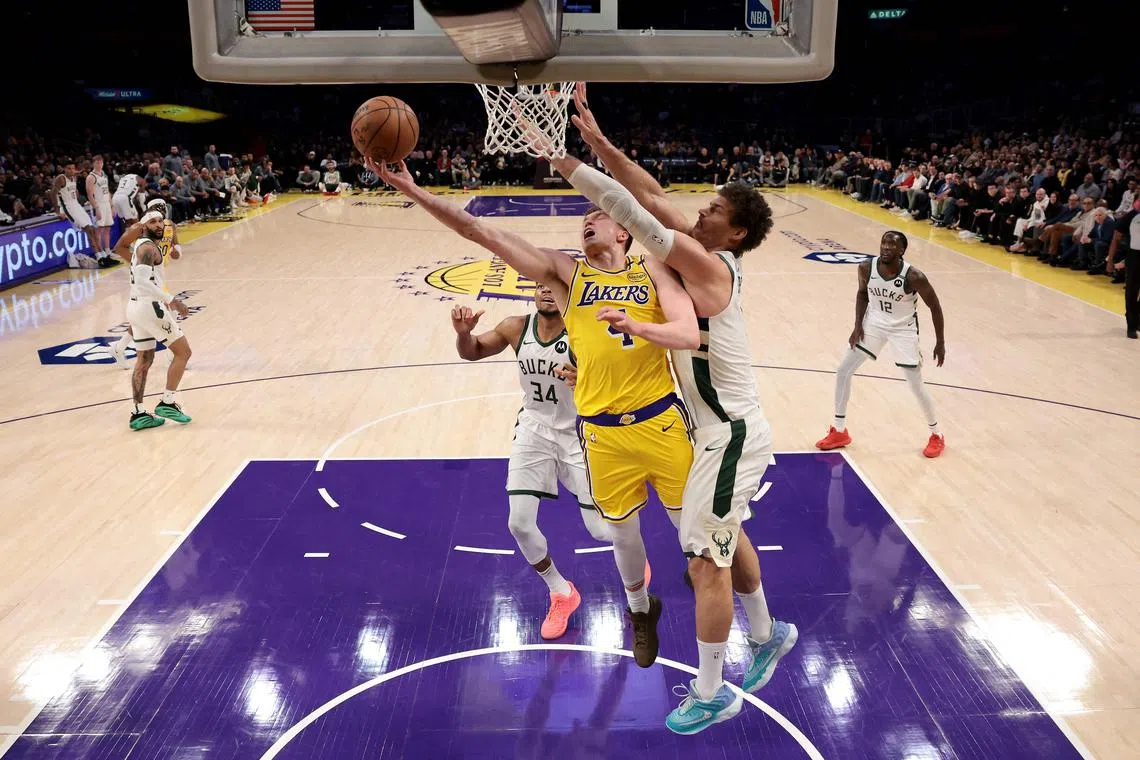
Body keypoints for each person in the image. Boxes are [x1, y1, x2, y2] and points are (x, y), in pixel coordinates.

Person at [369, 156, 698, 670]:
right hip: (602, 434)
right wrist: (413, 190)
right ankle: (639, 611)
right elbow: (478, 230)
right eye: (582, 218)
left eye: (599, 213)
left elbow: (687, 321)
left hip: (661, 419)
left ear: (625, 229)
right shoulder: (568, 275)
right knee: (623, 535)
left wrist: (639, 327)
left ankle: (738, 606)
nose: (588, 220)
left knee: (692, 534)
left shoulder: (654, 268)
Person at [550, 83, 797, 735]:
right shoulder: (698, 252)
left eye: (712, 209)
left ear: (733, 232)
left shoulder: (710, 268)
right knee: (726, 531)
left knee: (702, 563)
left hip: (731, 435)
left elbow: (640, 213)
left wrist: (565, 160)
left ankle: (713, 690)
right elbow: (652, 193)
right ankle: (768, 632)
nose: (700, 211)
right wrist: (600, 142)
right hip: (716, 433)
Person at [451, 284, 617, 639]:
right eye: (540, 286)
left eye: (553, 287)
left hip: (578, 433)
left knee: (601, 530)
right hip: (533, 429)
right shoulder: (515, 327)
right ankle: (561, 592)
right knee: (520, 525)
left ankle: (630, 549)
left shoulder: (586, 333)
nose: (546, 292)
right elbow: (472, 352)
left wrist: (589, 379)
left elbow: (618, 382)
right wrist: (464, 335)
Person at [816, 230, 947, 457]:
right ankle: (839, 430)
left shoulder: (914, 276)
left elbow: (935, 307)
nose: (886, 247)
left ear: (902, 250)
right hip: (874, 324)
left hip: (903, 329)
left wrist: (940, 342)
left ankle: (937, 434)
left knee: (914, 384)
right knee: (843, 370)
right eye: (884, 243)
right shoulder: (866, 267)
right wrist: (857, 326)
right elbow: (862, 294)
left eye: (891, 245)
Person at [123, 210, 193, 430]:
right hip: (149, 307)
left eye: (160, 220)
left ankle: (138, 413)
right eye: (152, 221)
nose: (159, 224)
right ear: (143, 227)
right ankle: (168, 402)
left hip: (135, 307)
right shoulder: (146, 247)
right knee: (183, 352)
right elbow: (144, 282)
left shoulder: (140, 246)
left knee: (144, 361)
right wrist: (173, 301)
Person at [110, 200, 183, 365]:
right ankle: (174, 355)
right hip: (146, 276)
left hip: (159, 273)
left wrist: (176, 252)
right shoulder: (139, 228)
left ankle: (119, 347)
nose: (161, 210)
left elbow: (176, 246)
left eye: (163, 207)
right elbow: (120, 247)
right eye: (157, 208)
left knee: (144, 319)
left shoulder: (170, 225)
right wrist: (137, 263)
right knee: (168, 312)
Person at [51, 162, 108, 267]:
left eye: (73, 169)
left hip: (77, 206)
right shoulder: (61, 178)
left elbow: (79, 171)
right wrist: (58, 211)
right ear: (64, 169)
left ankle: (103, 254)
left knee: (93, 229)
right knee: (88, 229)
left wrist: (83, 168)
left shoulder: (74, 176)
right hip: (68, 207)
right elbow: (53, 193)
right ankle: (99, 257)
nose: (71, 171)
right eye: (69, 168)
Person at [1106, 195, 1140, 338]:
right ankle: (1131, 325)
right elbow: (1116, 238)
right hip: (1135, 257)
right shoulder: (1130, 217)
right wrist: (1110, 260)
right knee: (1132, 291)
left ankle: (1137, 318)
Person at [85, 155, 114, 259]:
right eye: (97, 163)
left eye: (101, 162)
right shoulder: (91, 177)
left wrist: (111, 205)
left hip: (106, 203)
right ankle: (100, 251)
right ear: (93, 163)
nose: (99, 164)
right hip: (99, 204)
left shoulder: (103, 175)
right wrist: (96, 208)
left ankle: (107, 250)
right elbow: (90, 195)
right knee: (99, 230)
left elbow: (107, 190)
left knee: (107, 228)